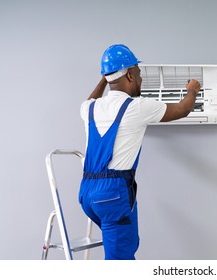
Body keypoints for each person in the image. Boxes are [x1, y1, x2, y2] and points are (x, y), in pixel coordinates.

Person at [79, 44, 200, 259]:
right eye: (139, 72)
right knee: (121, 260)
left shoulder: (88, 108)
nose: (141, 78)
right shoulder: (137, 107)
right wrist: (193, 89)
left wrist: (106, 77)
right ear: (129, 76)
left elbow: (91, 98)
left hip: (87, 194)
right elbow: (183, 109)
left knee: (127, 244)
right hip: (112, 194)